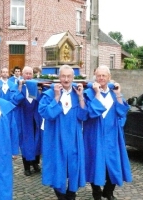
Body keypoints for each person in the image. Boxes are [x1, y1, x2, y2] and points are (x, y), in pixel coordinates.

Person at [38, 65, 88, 200]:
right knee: (57, 165)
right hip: (55, 136)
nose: (66, 79)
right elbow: (46, 114)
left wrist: (81, 97)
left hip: (73, 136)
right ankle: (60, 194)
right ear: (59, 77)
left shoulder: (77, 94)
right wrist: (56, 97)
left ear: (73, 77)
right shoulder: (49, 94)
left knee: (74, 165)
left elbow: (83, 116)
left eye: (69, 76)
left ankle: (72, 193)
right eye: (63, 76)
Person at [83, 65, 132, 200]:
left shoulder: (113, 93)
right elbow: (90, 113)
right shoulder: (88, 93)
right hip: (94, 134)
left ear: (109, 77)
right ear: (95, 77)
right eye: (99, 75)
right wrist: (97, 93)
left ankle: (109, 191)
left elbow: (122, 112)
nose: (101, 78)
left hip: (112, 134)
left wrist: (118, 95)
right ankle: (97, 192)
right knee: (95, 162)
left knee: (114, 162)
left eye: (104, 75)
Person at [11, 66, 42, 176]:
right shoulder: (17, 86)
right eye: (26, 73)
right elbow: (15, 100)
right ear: (22, 75)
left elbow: (41, 100)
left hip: (35, 117)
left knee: (37, 140)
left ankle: (35, 163)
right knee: (25, 142)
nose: (28, 76)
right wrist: (20, 87)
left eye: (30, 73)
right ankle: (27, 166)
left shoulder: (37, 86)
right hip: (24, 117)